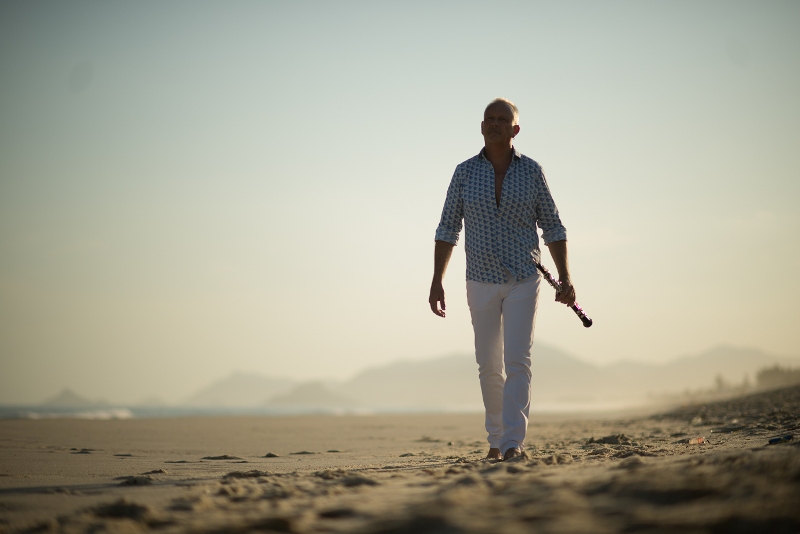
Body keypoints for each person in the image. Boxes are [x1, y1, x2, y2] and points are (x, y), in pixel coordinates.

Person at [429, 98, 576, 461]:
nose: (494, 124)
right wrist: (437, 280)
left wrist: (566, 277)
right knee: (488, 364)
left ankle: (512, 443)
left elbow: (553, 226)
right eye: (488, 119)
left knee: (517, 361)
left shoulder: (532, 172)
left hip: (524, 278)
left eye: (502, 119)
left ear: (515, 129)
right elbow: (447, 229)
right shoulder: (464, 173)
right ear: (482, 127)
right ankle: (495, 439)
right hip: (479, 279)